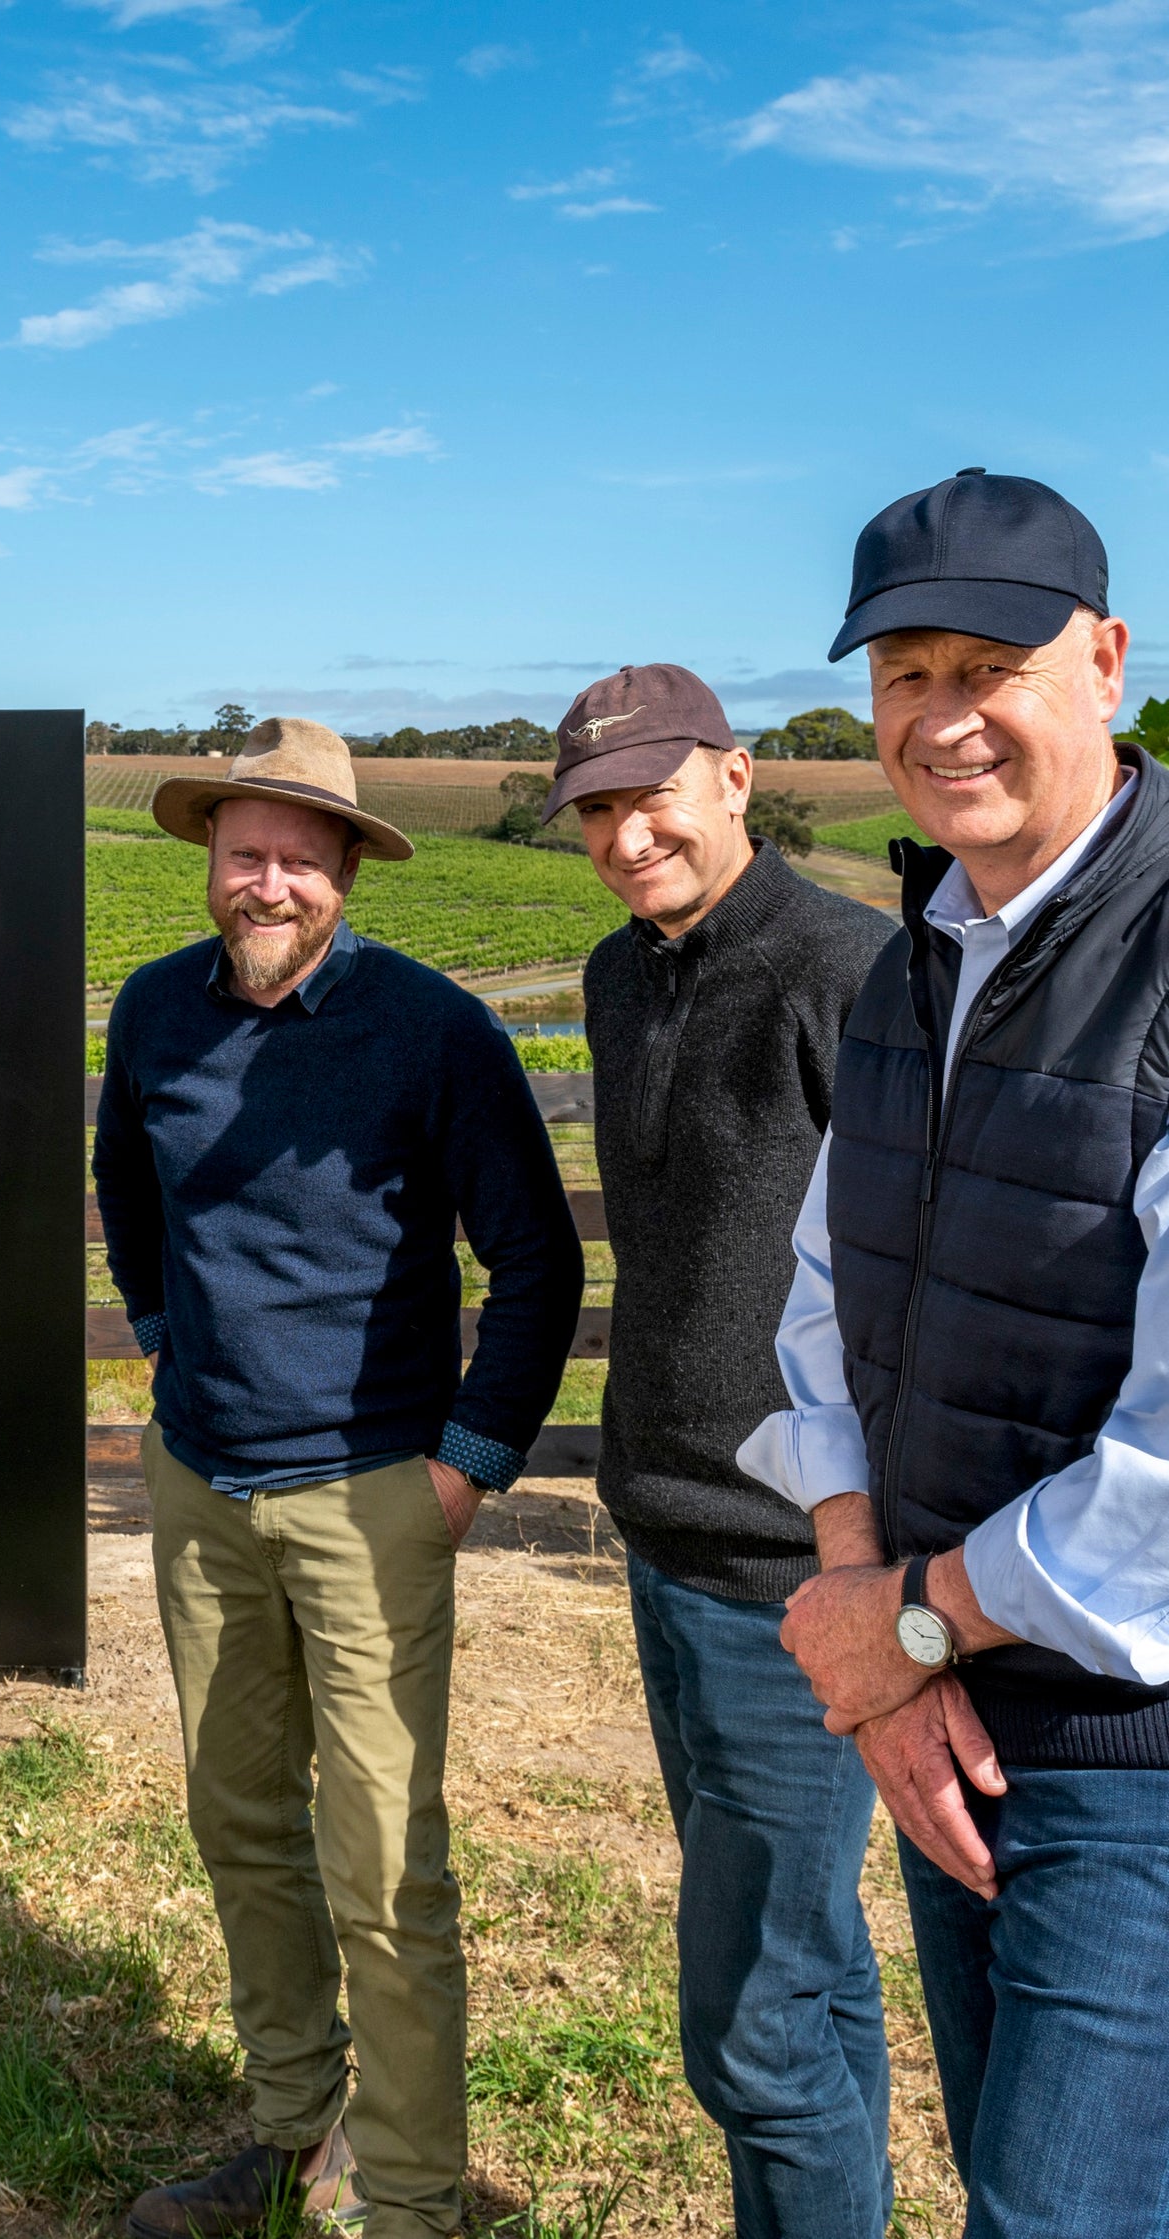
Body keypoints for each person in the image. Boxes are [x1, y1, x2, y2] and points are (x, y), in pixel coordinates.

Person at [738, 470, 1169, 2236]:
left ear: (1109, 665)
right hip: (945, 1710)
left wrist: (905, 1621)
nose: (943, 717)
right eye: (906, 672)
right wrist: (877, 1624)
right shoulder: (919, 956)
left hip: (1132, 1763)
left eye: (990, 664)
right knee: (1014, 2172)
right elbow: (830, 1295)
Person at [95, 716, 583, 2239]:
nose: (271, 881)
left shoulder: (437, 1032)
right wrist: (170, 1343)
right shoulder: (159, 1010)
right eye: (248, 852)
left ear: (350, 869)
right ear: (212, 860)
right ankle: (297, 2130)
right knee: (240, 1819)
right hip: (203, 1488)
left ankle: (416, 2197)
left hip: (376, 1489)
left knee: (383, 1866)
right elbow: (126, 1184)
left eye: (303, 856)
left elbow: (539, 1261)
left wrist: (466, 1469)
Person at [556, 663, 894, 2235]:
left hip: (795, 1571)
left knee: (754, 2026)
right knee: (805, 1963)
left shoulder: (855, 973)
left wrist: (869, 1561)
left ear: (738, 778)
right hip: (668, 1539)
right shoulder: (623, 976)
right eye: (597, 810)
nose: (628, 836)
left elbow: (911, 1280)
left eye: (653, 795)